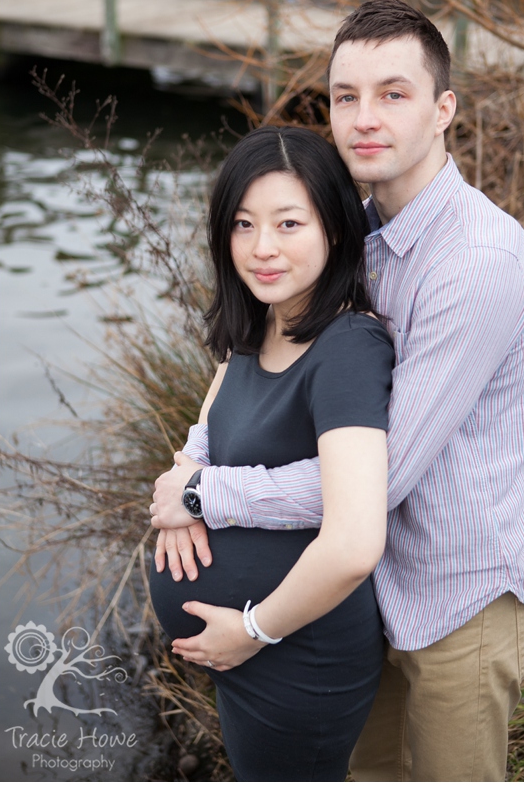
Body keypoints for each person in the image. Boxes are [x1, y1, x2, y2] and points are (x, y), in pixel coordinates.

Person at [152, 0, 524, 782]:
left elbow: (374, 484)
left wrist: (204, 495)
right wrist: (187, 457)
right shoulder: (348, 233)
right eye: (345, 97)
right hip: (358, 596)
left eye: (392, 94)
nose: (364, 118)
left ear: (442, 110)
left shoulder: (475, 264)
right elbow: (247, 345)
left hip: (454, 598)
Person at [148, 124, 395, 782]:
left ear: (335, 229)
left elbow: (352, 540)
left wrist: (252, 630)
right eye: (242, 224)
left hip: (294, 654)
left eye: (288, 224)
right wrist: (180, 493)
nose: (261, 249)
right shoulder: (257, 321)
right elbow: (202, 438)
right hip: (242, 655)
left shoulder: (346, 348)